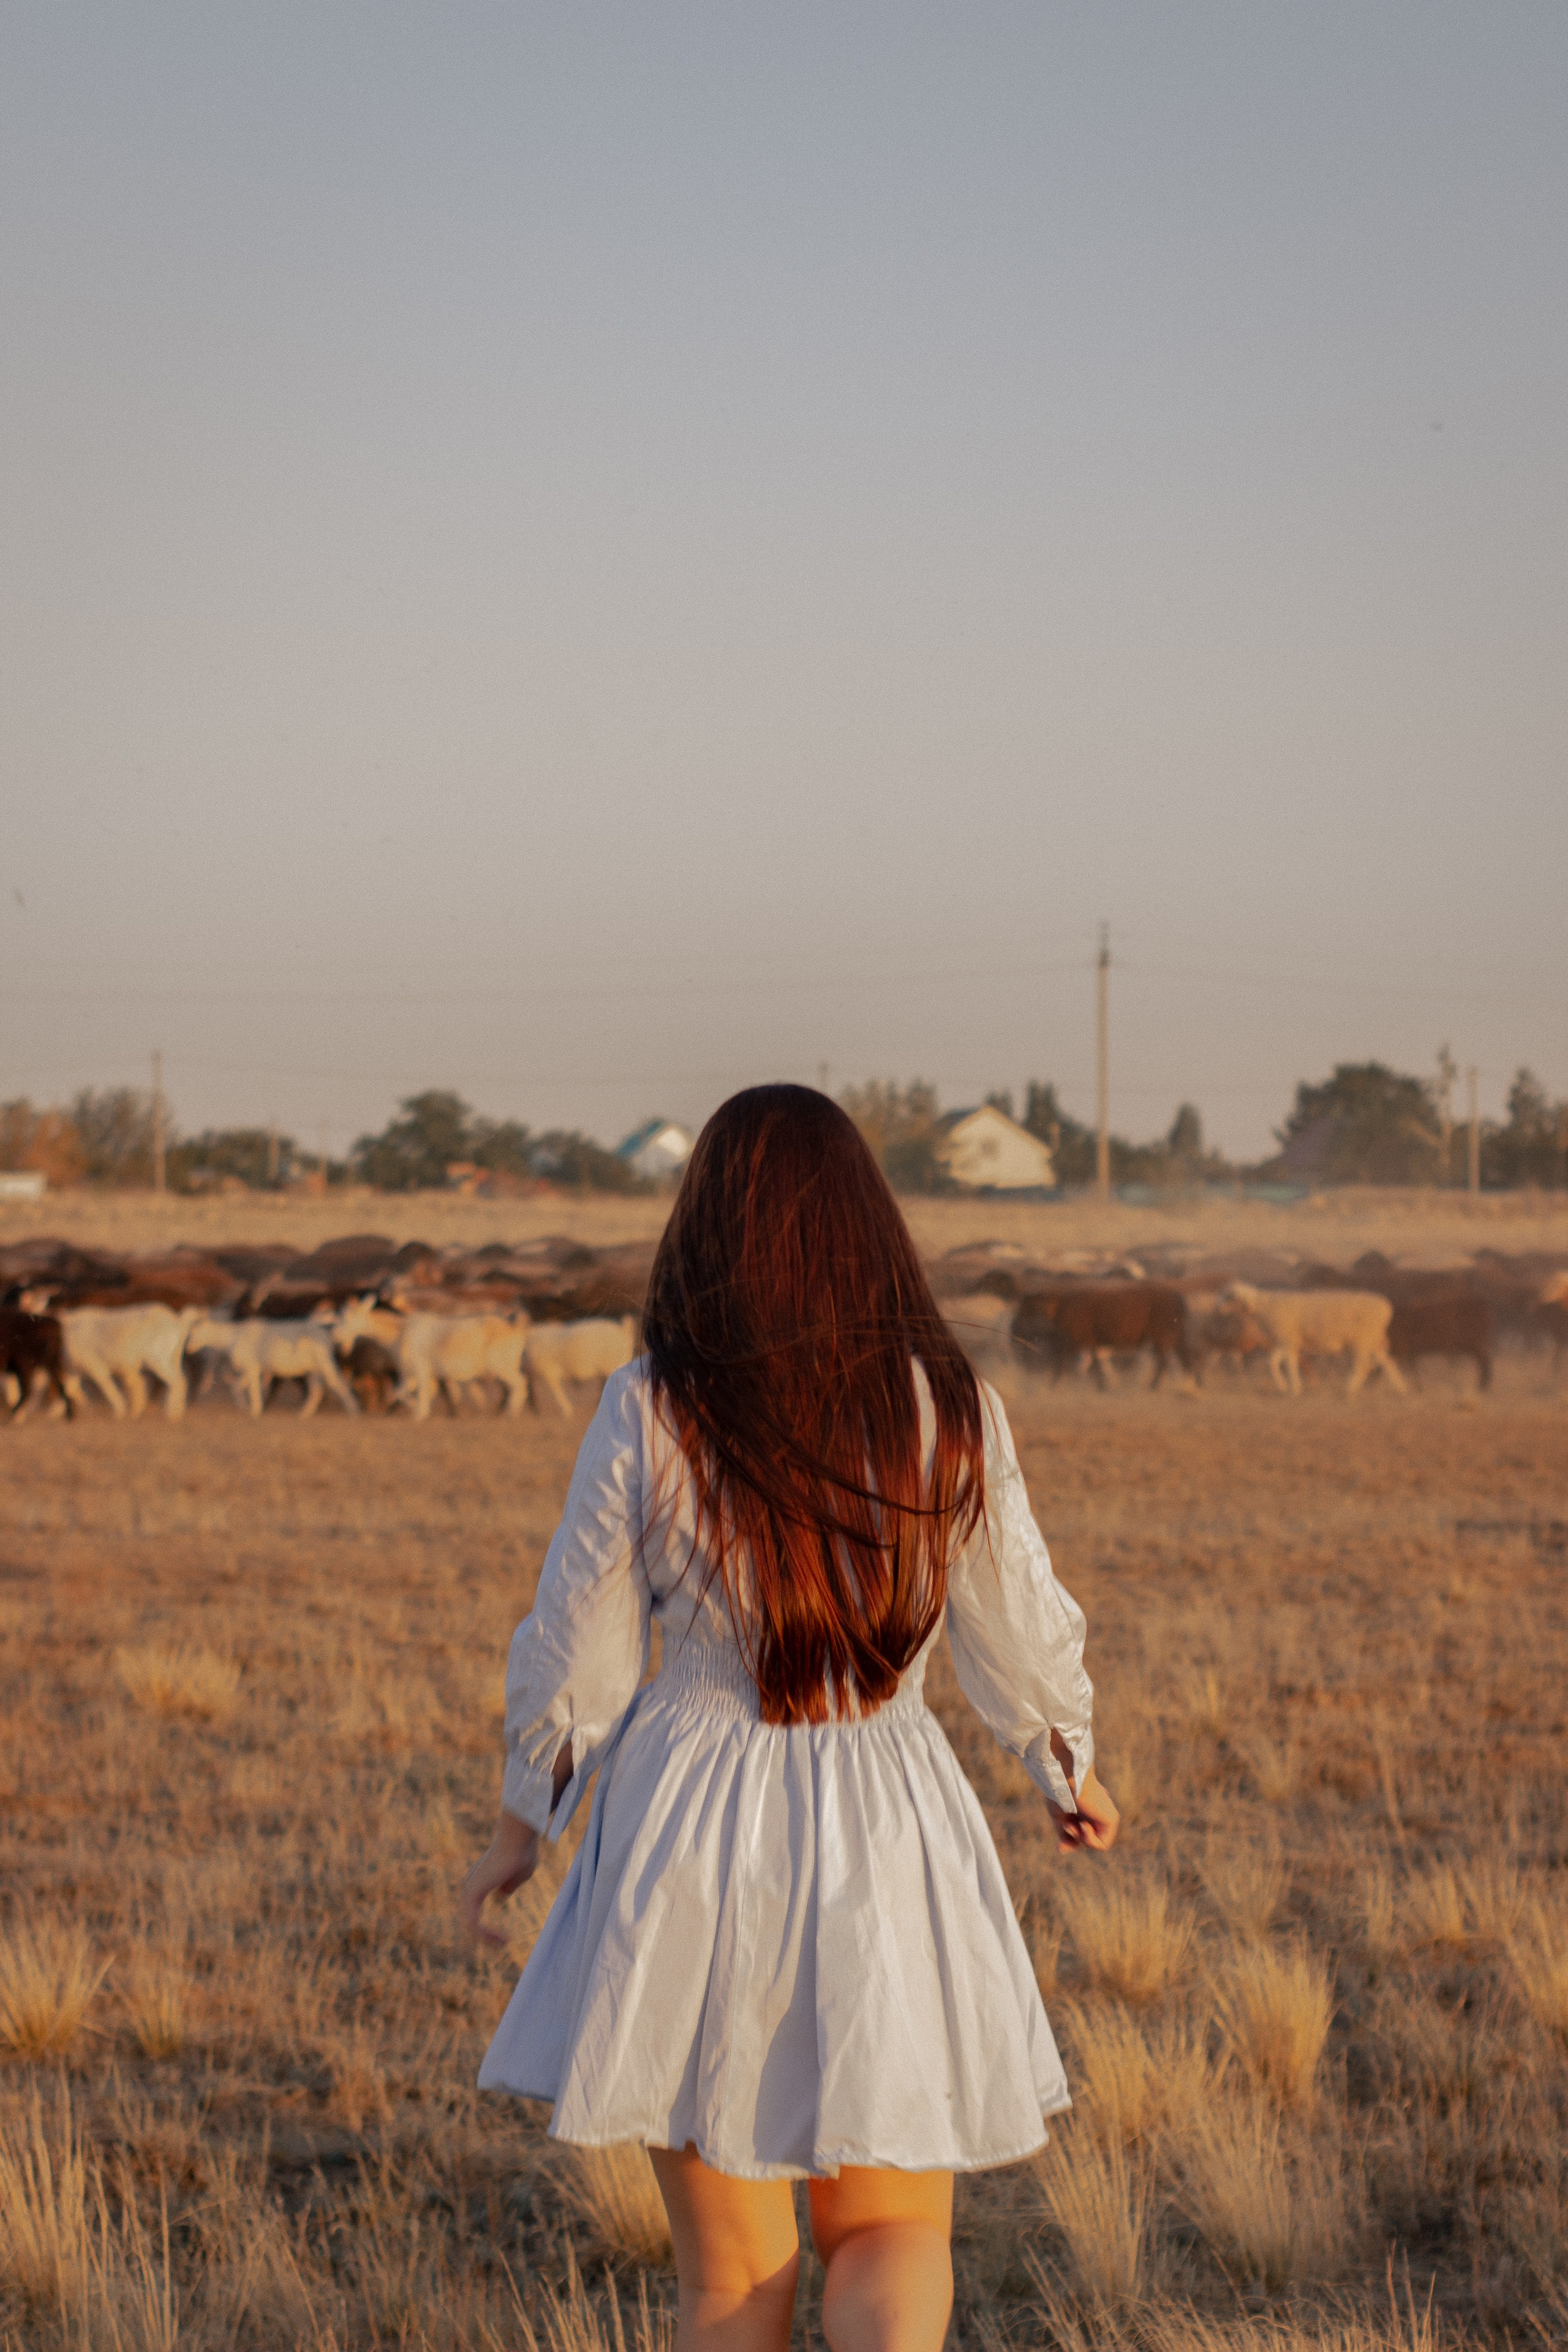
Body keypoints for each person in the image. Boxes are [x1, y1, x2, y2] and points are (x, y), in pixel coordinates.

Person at [461, 1085, 1118, 2351]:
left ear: (707, 1225)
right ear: (869, 1227)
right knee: (889, 2236)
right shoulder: (949, 1402)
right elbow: (1013, 1610)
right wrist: (1063, 1762)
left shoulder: (652, 1402)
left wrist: (518, 1828)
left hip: (691, 1814)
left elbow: (577, 1645)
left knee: (729, 2278)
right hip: (888, 1807)